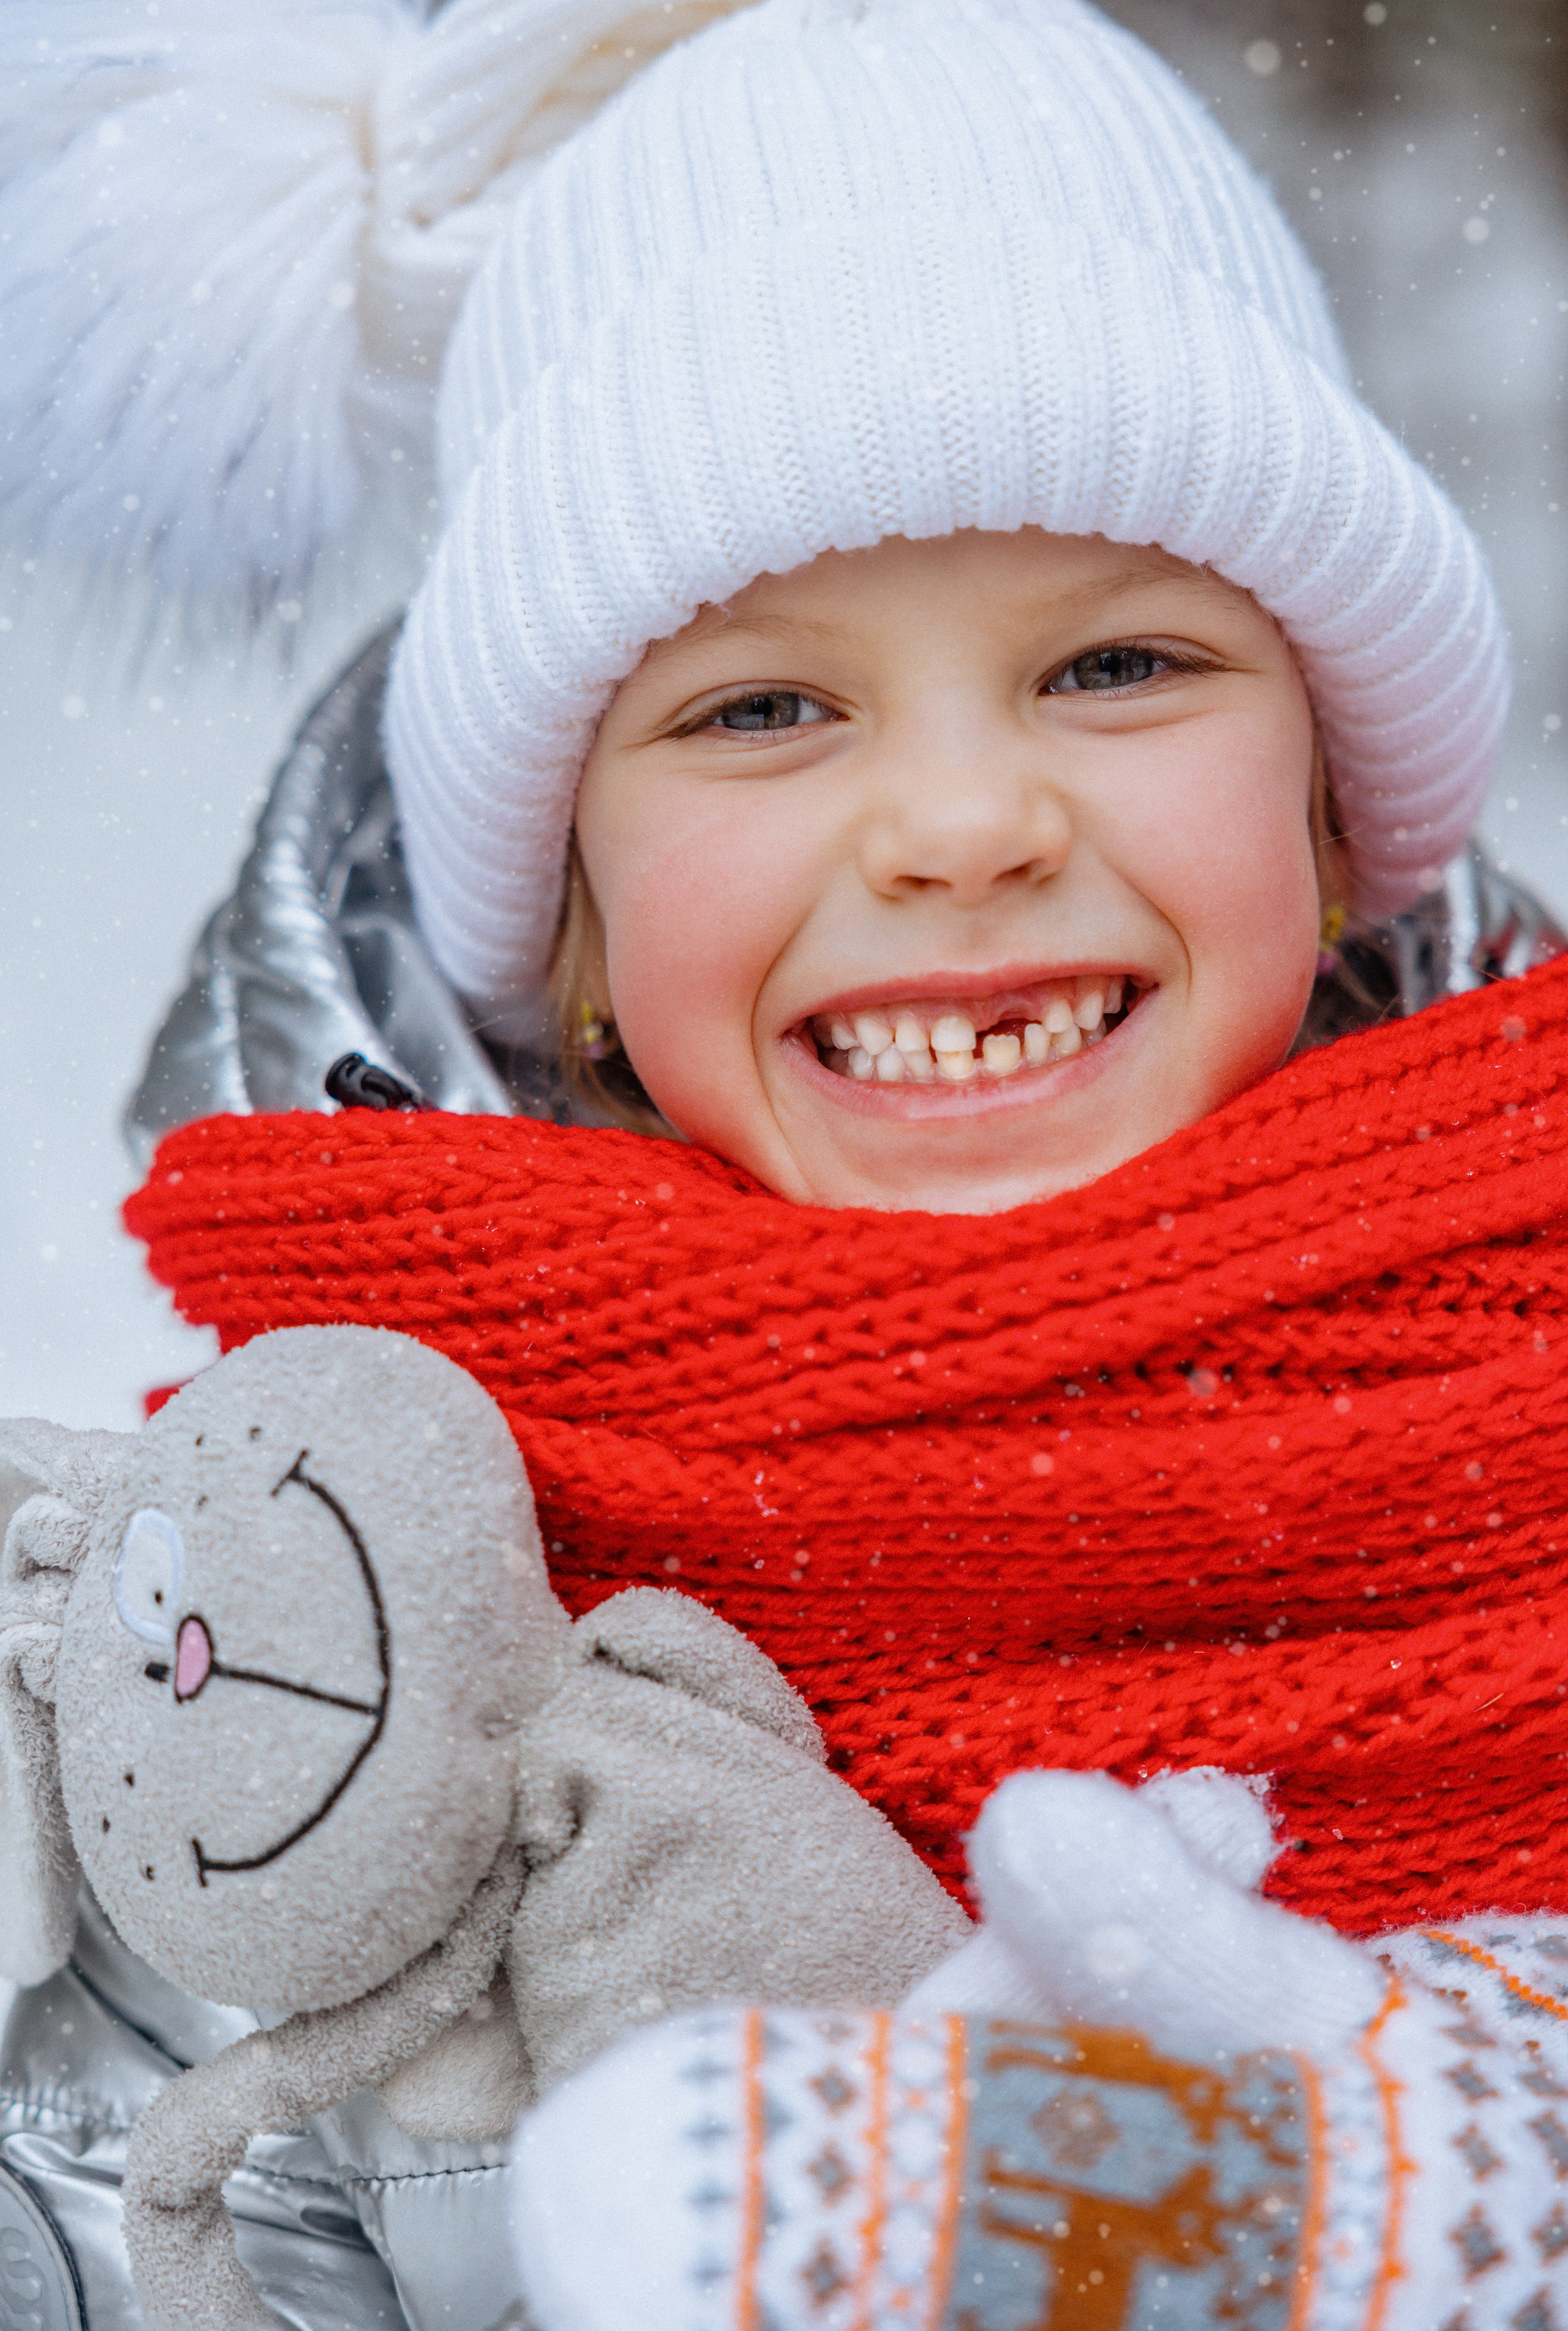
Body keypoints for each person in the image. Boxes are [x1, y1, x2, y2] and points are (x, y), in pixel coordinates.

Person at [5, 0, 1567, 2325]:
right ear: (573, 927)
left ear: (1337, 823)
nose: (962, 824)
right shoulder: (302, 1659)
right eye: (762, 708)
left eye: (1120, 667)